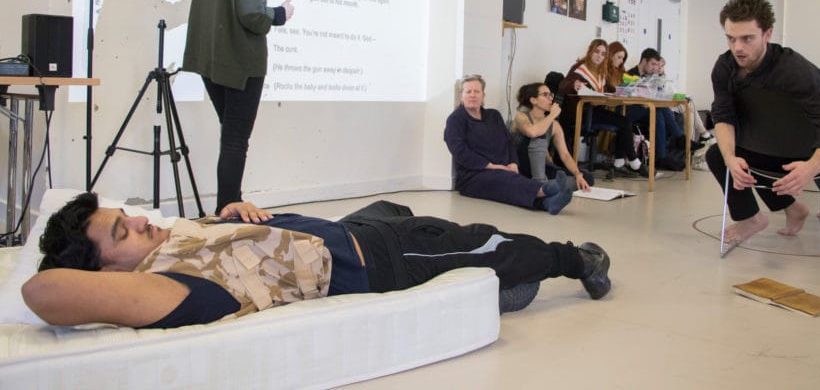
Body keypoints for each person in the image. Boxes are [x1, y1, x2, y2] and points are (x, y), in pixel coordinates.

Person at [22, 193, 612, 327]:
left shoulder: (172, 240)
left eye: (129, 214)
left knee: (396, 205)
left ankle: (501, 286)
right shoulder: (162, 288)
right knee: (488, 240)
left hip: (352, 229)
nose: (143, 222)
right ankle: (574, 260)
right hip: (380, 260)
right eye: (124, 232)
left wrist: (230, 216)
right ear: (105, 271)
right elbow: (42, 292)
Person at [182, 0, 295, 214]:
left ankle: (228, 208)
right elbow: (251, 13)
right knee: (234, 141)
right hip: (239, 62)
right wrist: (280, 13)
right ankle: (228, 212)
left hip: (209, 60)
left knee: (230, 138)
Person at [705, 0, 820, 243]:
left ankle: (794, 207)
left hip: (803, 153)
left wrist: (811, 167)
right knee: (718, 155)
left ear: (767, 34)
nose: (738, 47)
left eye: (747, 38)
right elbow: (723, 116)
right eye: (731, 38)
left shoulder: (797, 71)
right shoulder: (725, 67)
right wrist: (730, 158)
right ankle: (766, 215)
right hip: (765, 145)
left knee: (759, 156)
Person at [443, 75, 573, 215]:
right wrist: (492, 166)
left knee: (510, 182)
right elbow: (460, 152)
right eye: (468, 92)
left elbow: (509, 142)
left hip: (504, 169)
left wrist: (513, 163)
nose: (473, 95)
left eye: (477, 91)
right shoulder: (455, 120)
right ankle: (549, 188)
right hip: (473, 176)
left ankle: (548, 203)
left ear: (483, 95)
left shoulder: (494, 115)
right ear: (461, 96)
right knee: (505, 180)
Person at [558, 39, 648, 178]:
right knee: (624, 122)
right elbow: (563, 85)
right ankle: (634, 162)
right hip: (577, 113)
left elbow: (607, 89)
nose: (599, 56)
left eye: (603, 54)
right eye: (596, 52)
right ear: (590, 52)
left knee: (625, 121)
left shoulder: (601, 71)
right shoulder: (580, 67)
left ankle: (625, 162)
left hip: (593, 111)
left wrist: (627, 89)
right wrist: (573, 84)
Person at [510, 82, 592, 192]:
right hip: (520, 165)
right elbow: (533, 132)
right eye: (545, 95)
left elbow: (565, 155)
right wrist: (552, 115)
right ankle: (544, 186)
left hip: (542, 167)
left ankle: (546, 187)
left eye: (551, 95)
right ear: (533, 100)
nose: (550, 99)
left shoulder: (554, 125)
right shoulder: (521, 117)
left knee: (587, 178)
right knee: (537, 140)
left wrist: (578, 174)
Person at [626, 48, 685, 170]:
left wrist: (660, 77)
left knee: (658, 112)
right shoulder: (630, 74)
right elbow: (627, 95)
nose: (654, 68)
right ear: (643, 61)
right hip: (633, 109)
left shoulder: (652, 76)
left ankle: (662, 155)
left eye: (657, 65)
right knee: (658, 110)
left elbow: (658, 94)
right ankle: (679, 138)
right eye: (653, 64)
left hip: (648, 109)